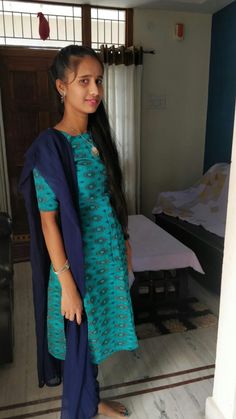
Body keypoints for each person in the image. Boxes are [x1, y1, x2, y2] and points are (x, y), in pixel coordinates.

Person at [19, 44, 138, 419]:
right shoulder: (50, 148)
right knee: (79, 342)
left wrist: (126, 241)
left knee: (94, 339)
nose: (95, 91)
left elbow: (111, 198)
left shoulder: (96, 139)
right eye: (84, 81)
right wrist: (66, 283)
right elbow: (48, 221)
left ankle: (93, 399)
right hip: (76, 267)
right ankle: (82, 409)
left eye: (99, 81)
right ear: (61, 87)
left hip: (106, 263)